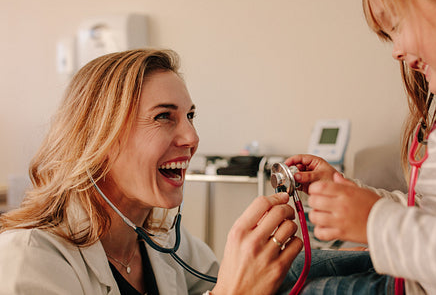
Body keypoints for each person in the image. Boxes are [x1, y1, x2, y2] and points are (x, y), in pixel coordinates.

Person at [0, 49, 303, 295]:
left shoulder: (169, 244)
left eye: (190, 116)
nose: (192, 138)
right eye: (163, 116)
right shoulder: (29, 259)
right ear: (98, 137)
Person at [280, 0, 436, 294]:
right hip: (420, 275)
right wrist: (357, 198)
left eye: (397, 26)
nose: (397, 51)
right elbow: (435, 216)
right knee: (288, 269)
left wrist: (374, 222)